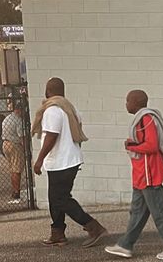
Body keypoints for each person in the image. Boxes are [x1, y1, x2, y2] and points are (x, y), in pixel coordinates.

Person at [105, 90, 163, 261]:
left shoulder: (145, 118)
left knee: (160, 211)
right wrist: (132, 143)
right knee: (137, 212)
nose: (126, 104)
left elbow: (151, 145)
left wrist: (132, 147)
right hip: (141, 174)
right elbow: (145, 142)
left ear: (136, 102)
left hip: (149, 174)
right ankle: (126, 245)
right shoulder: (141, 119)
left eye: (127, 101)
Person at [31, 77, 108, 247]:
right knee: (55, 198)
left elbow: (52, 135)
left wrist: (39, 159)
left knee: (60, 199)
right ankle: (57, 232)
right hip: (68, 160)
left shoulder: (52, 110)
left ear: (48, 91)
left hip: (61, 161)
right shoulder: (70, 108)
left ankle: (93, 226)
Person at [1, 102, 25, 204]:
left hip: (5, 143)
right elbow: (21, 136)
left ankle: (14, 189)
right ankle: (16, 191)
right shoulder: (18, 120)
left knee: (12, 168)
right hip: (14, 144)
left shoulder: (7, 118)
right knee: (17, 169)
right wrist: (26, 147)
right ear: (19, 110)